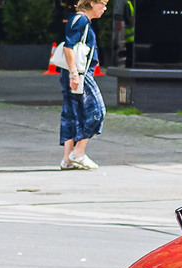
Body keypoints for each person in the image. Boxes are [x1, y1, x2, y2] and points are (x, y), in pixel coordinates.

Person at [54, 0, 104, 170]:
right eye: (103, 4)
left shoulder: (76, 19)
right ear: (92, 3)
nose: (105, 8)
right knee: (97, 111)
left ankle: (67, 160)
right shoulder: (82, 21)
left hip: (70, 73)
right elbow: (69, 47)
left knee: (71, 114)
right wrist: (75, 74)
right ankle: (78, 153)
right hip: (80, 74)